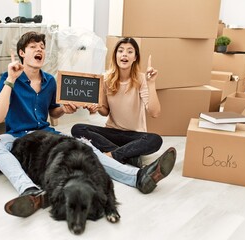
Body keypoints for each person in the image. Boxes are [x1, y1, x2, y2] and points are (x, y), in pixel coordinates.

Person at [0, 33, 176, 219]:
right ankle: (29, 190)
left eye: (42, 47)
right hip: (18, 137)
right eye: (33, 47)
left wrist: (64, 110)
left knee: (84, 145)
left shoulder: (50, 81)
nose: (39, 49)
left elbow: (53, 112)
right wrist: (10, 80)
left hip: (45, 136)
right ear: (22, 53)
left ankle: (137, 176)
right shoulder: (8, 79)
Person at [71, 37, 176, 191]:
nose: (124, 54)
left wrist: (152, 83)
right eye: (120, 51)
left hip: (135, 135)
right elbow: (105, 111)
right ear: (115, 56)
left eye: (129, 51)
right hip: (112, 132)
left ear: (135, 57)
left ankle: (113, 156)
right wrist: (97, 106)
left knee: (155, 139)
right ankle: (130, 156)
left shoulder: (141, 79)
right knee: (77, 128)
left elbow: (155, 112)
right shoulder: (106, 78)